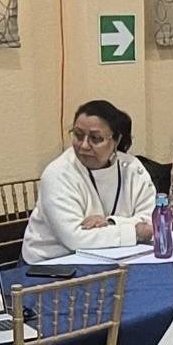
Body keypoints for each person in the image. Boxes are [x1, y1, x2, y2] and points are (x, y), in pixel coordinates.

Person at [23, 100, 157, 261]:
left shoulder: (132, 168)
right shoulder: (57, 174)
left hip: (115, 256)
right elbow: (74, 238)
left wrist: (111, 223)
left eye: (95, 138)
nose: (84, 145)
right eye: (78, 135)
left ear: (116, 140)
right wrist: (134, 232)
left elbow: (152, 221)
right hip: (52, 263)